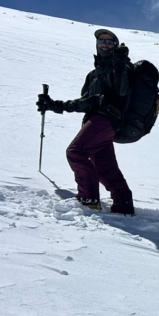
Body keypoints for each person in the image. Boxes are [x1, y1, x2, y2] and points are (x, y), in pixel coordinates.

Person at [35, 29, 134, 215]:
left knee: (76, 152)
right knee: (106, 168)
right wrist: (53, 105)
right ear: (96, 44)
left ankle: (88, 200)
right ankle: (124, 206)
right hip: (97, 122)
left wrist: (121, 62)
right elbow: (85, 103)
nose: (105, 44)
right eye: (101, 41)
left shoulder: (121, 66)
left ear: (115, 46)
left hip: (106, 120)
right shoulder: (94, 74)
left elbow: (122, 92)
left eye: (110, 42)